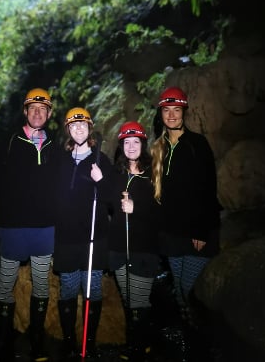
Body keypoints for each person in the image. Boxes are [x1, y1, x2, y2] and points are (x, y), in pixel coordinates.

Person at [0, 88, 60, 362]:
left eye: (43, 109)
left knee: (41, 285)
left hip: (44, 231)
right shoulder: (9, 142)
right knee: (5, 284)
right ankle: (4, 343)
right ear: (25, 112)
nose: (38, 113)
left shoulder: (55, 146)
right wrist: (0, 216)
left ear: (49, 114)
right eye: (33, 108)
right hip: (13, 229)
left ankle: (36, 341)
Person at [150, 86, 220, 322]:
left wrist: (201, 230)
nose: (171, 115)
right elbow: (157, 196)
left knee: (190, 287)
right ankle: (189, 334)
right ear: (160, 114)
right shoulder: (158, 149)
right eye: (167, 110)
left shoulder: (197, 144)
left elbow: (208, 189)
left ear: (184, 112)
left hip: (195, 233)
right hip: (171, 234)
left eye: (176, 109)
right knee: (179, 289)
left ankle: (203, 334)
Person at [53, 107, 113, 359]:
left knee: (93, 290)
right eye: (73, 126)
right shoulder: (60, 160)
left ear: (90, 129)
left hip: (93, 238)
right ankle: (68, 340)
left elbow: (112, 199)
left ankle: (90, 341)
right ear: (68, 130)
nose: (78, 129)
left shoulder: (102, 160)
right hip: (66, 238)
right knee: (67, 289)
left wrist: (101, 180)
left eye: (83, 125)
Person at [109, 121, 160, 361]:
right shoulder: (117, 175)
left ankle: (140, 348)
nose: (131, 147)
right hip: (119, 249)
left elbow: (163, 212)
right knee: (129, 299)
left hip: (143, 250)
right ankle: (138, 343)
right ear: (121, 146)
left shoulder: (154, 175)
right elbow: (104, 200)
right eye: (126, 142)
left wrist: (135, 208)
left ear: (143, 145)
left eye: (135, 142)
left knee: (139, 300)